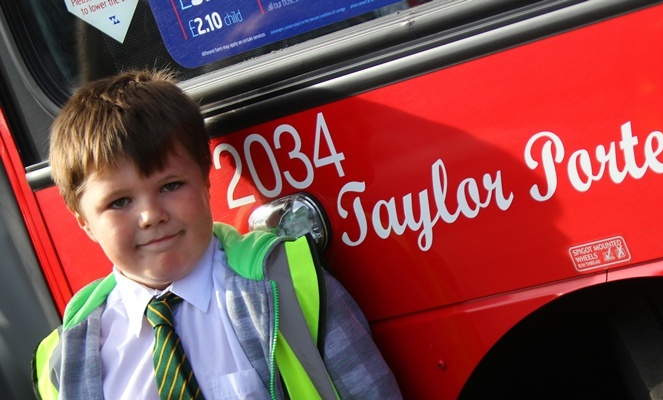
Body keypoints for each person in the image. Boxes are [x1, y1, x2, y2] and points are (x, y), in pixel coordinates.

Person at [31, 70, 402, 400]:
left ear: (206, 183)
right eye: (119, 202)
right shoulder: (68, 356)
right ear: (83, 222)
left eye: (171, 186)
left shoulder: (285, 285)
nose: (150, 215)